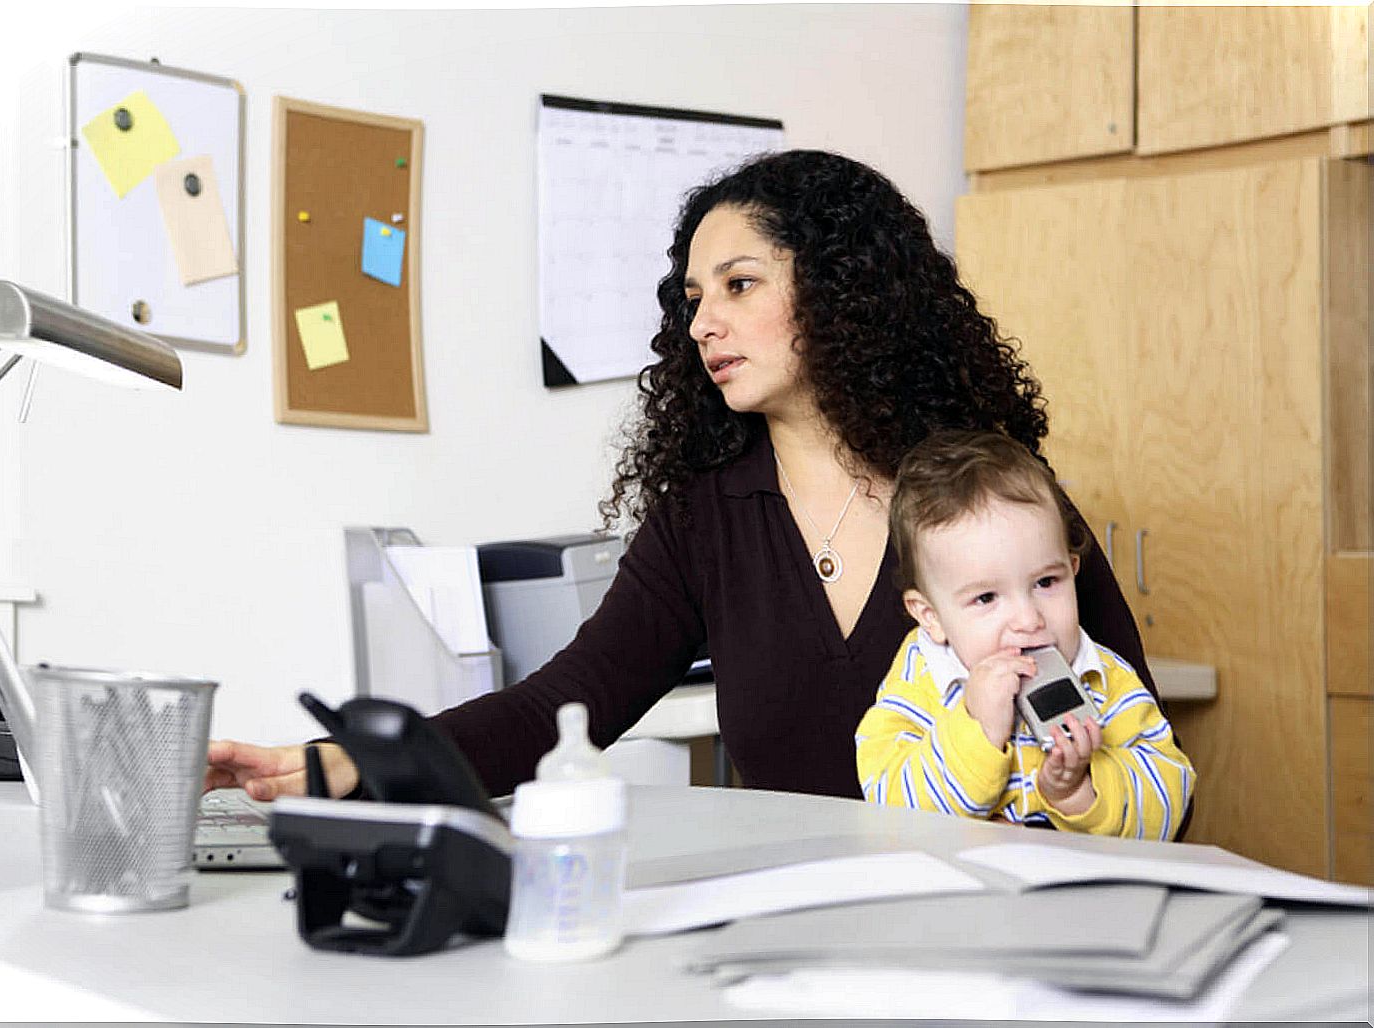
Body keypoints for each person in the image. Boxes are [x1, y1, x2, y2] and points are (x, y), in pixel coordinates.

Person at [206, 149, 1168, 811]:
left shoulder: (990, 496)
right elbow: (559, 709)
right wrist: (353, 763)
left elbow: (1138, 731)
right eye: (693, 297)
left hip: (1009, 921)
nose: (704, 322)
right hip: (799, 939)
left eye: (740, 285)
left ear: (842, 290)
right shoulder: (704, 519)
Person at [855, 430, 1194, 838]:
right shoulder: (919, 682)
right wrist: (977, 730)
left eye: (1046, 582)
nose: (1028, 619)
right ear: (931, 617)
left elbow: (1170, 795)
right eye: (985, 598)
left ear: (1072, 569)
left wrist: (1079, 791)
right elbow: (891, 809)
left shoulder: (1104, 679)